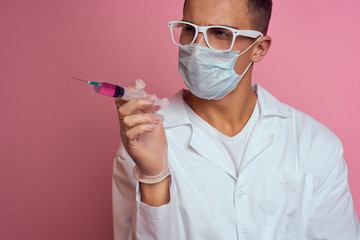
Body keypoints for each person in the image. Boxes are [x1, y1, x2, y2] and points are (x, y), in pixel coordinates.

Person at [112, 0, 360, 239]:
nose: (197, 48)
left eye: (220, 33)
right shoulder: (140, 144)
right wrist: (153, 177)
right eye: (189, 29)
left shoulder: (314, 144)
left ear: (259, 48)